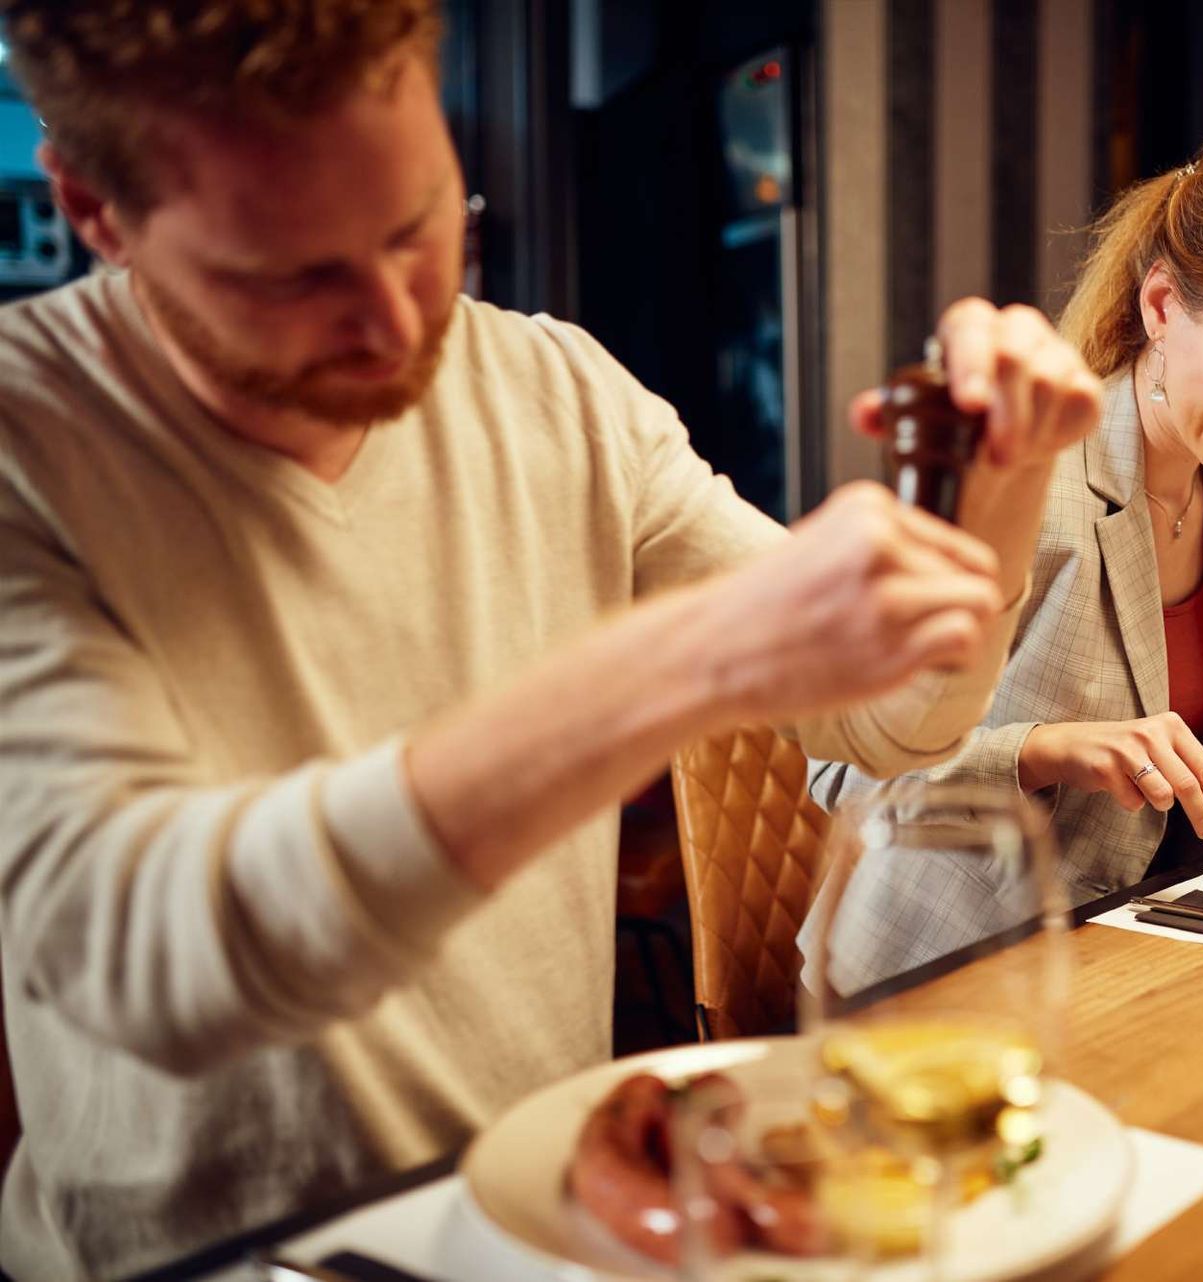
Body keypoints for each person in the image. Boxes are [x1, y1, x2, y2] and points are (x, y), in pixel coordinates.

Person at [0, 3, 1103, 1276]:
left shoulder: (559, 390)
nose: (394, 323)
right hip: (194, 1257)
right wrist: (681, 661)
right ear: (93, 209)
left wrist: (1006, 481)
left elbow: (891, 723)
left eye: (419, 227)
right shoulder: (31, 439)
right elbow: (148, 960)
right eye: (290, 276)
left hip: (534, 1217)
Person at [806, 131, 1203, 993]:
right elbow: (846, 770)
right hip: (943, 970)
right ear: (1161, 306)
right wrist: (1047, 751)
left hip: (1134, 945)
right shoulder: (1024, 476)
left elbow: (1176, 737)